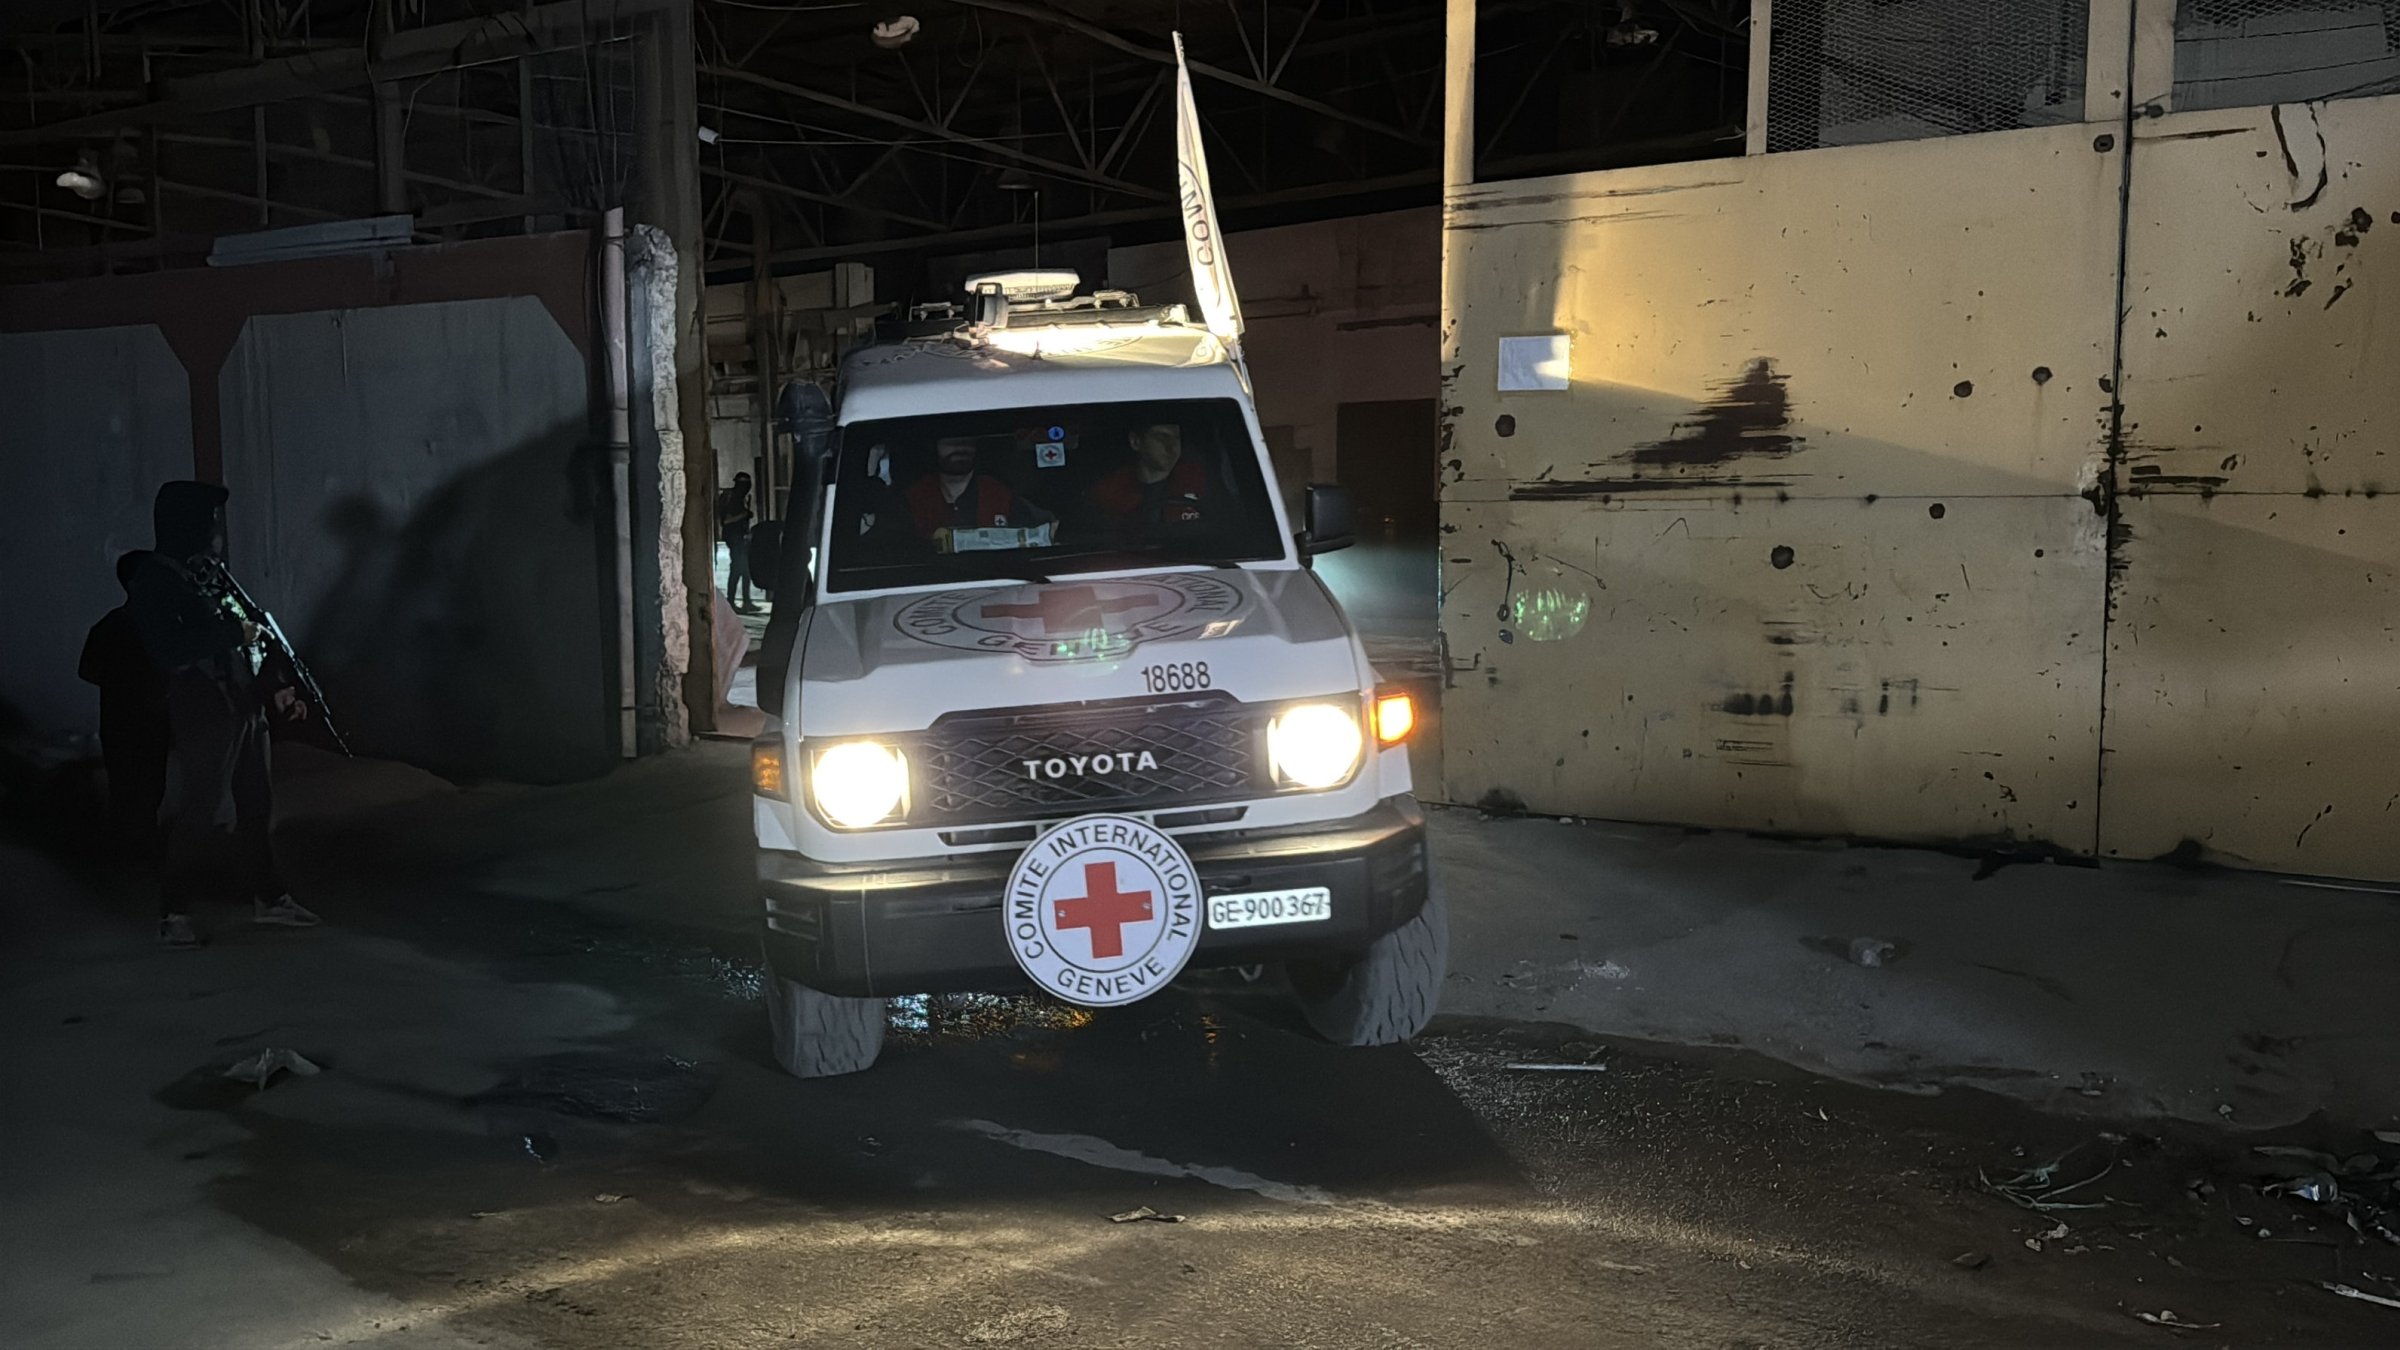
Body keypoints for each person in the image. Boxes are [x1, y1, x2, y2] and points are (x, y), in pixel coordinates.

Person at [125, 481, 319, 948]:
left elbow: (256, 631)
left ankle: (269, 897)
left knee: (257, 804)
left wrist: (279, 686)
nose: (216, 529)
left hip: (244, 700)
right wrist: (234, 632)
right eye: (208, 519)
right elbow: (169, 649)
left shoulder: (209, 573)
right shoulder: (155, 580)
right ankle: (173, 913)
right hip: (204, 704)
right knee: (201, 809)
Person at [78, 552, 170, 858]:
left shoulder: (113, 625)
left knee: (136, 789)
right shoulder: (150, 627)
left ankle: (131, 853)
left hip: (129, 722)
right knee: (139, 790)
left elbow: (88, 671)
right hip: (138, 723)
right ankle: (134, 854)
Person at [901, 436, 1053, 541]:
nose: (960, 447)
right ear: (935, 446)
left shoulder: (1000, 494)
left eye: (966, 441)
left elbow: (1046, 528)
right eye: (951, 442)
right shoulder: (912, 498)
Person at [1084, 421, 1219, 534]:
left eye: (1177, 438)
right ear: (1136, 442)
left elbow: (1223, 528)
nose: (1172, 447)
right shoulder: (1108, 493)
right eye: (1162, 437)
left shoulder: (1200, 480)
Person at [718, 472, 760, 614]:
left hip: (741, 537)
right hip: (734, 537)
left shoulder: (741, 498)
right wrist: (744, 515)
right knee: (737, 569)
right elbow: (725, 521)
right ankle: (731, 602)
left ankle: (746, 602)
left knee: (745, 570)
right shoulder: (732, 498)